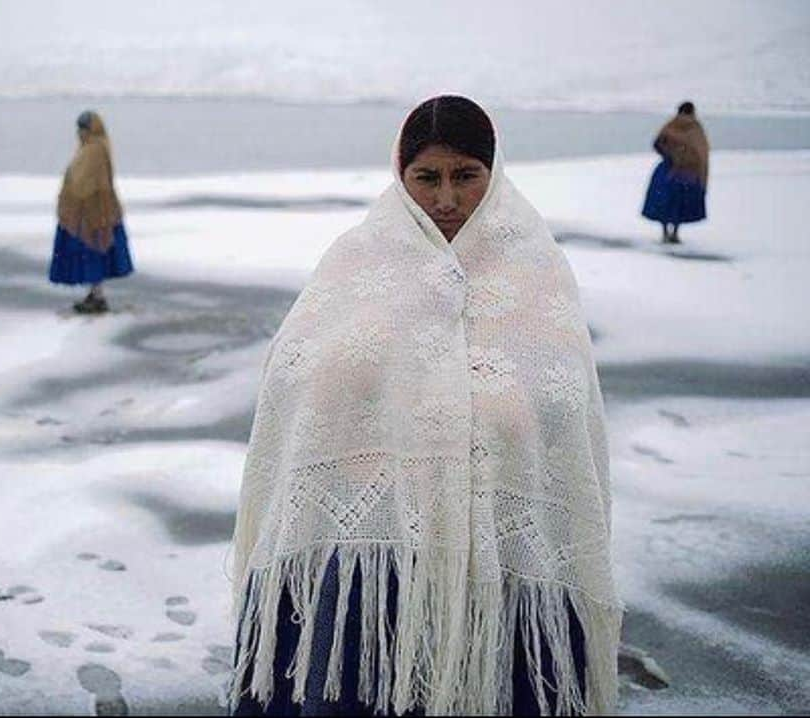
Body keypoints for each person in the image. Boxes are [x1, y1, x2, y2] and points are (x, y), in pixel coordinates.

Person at [230, 96, 621, 716]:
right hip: (369, 558)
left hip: (503, 563)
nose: (446, 198)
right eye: (427, 177)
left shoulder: (537, 270)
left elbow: (565, 413)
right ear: (401, 175)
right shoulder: (355, 263)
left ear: (493, 175)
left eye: (465, 176)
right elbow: (298, 391)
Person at [49, 110, 134, 313]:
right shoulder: (92, 148)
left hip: (94, 212)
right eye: (79, 128)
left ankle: (97, 297)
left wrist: (74, 195)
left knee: (93, 254)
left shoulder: (95, 150)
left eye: (83, 128)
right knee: (93, 255)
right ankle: (95, 294)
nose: (80, 133)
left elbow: (88, 181)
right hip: (91, 212)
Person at [642, 101, 709, 243]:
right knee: (680, 204)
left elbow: (657, 143)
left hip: (668, 169)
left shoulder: (671, 125)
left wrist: (670, 154)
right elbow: (701, 153)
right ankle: (675, 233)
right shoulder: (695, 128)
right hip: (689, 173)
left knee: (665, 201)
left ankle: (665, 232)